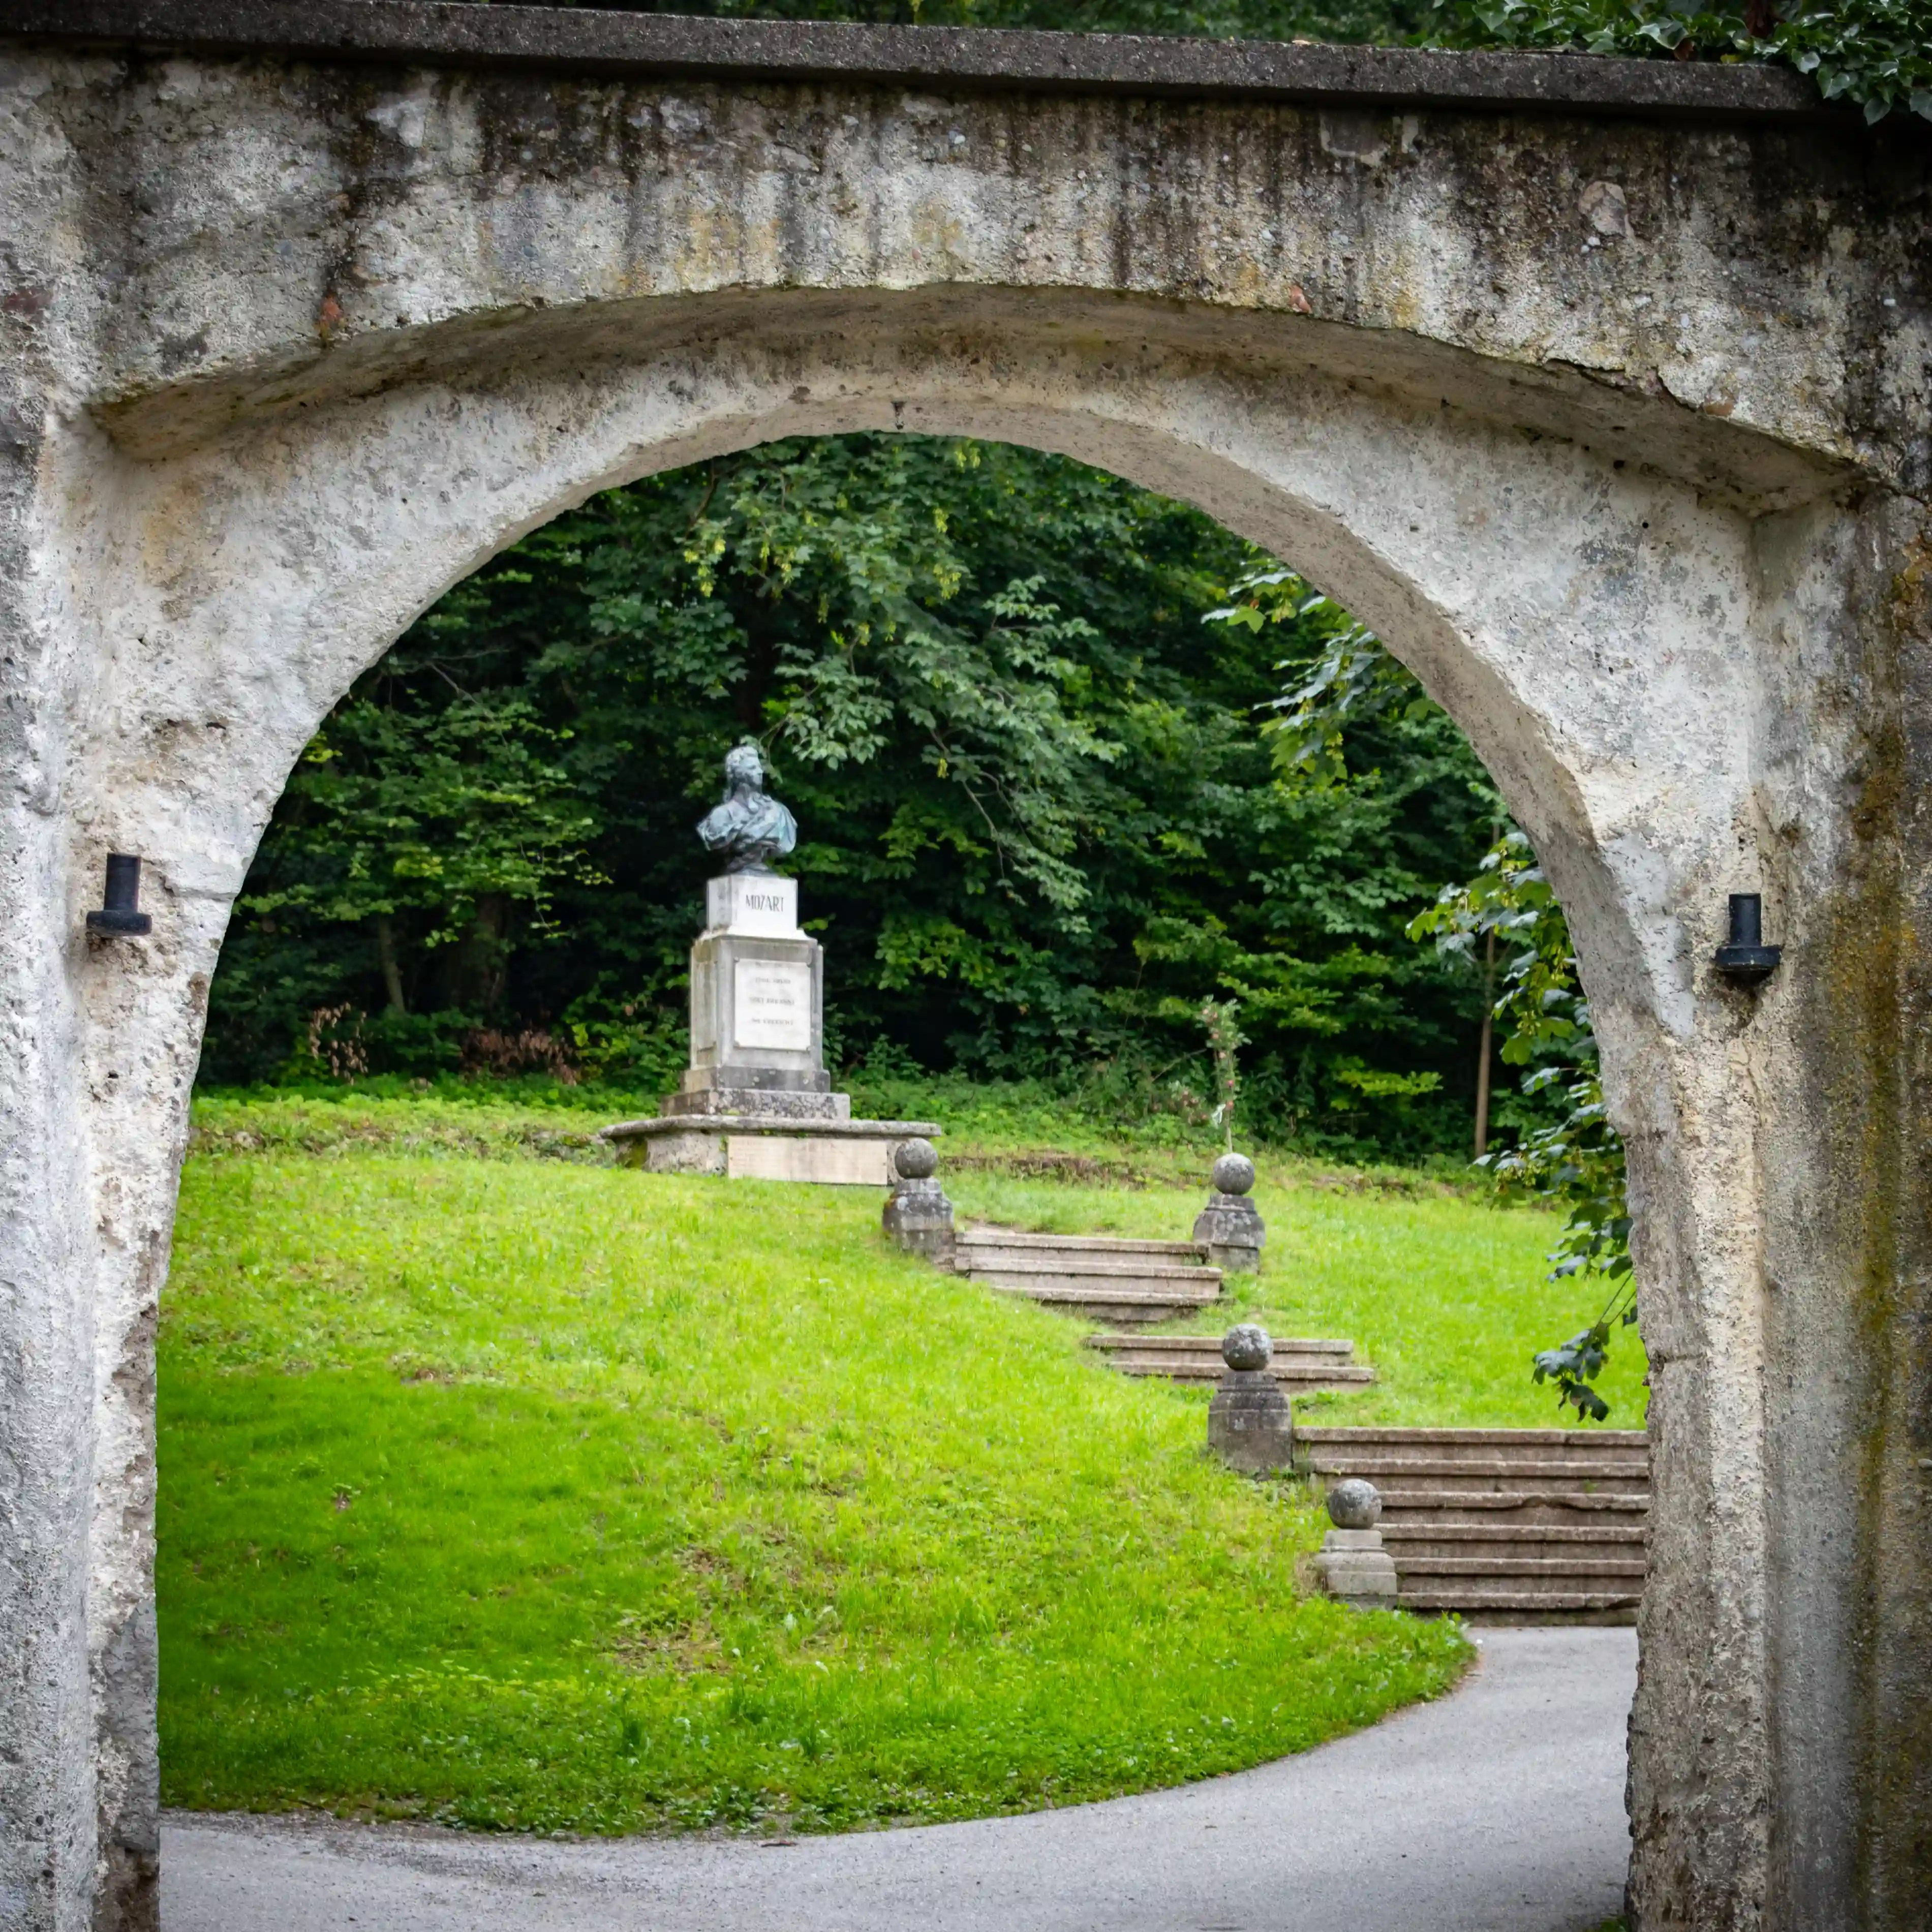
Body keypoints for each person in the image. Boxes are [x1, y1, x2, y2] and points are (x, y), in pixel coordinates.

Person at [696, 742, 798, 873]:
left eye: (759, 767)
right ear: (737, 774)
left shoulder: (778, 812)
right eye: (752, 768)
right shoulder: (722, 814)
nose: (760, 772)